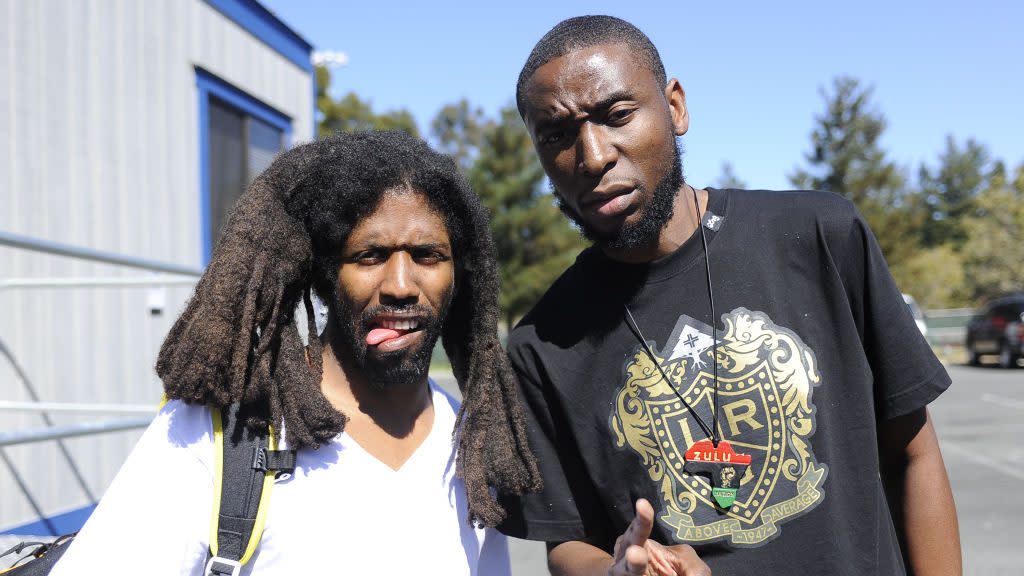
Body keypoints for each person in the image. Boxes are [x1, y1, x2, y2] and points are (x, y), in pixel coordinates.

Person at [497, 15, 961, 576]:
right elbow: (568, 544)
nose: (592, 155)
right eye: (556, 135)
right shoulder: (540, 345)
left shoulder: (819, 235)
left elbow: (913, 453)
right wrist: (619, 571)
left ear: (675, 108)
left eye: (617, 116)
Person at [52, 130, 541, 575]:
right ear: (327, 274)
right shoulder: (222, 431)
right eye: (369, 256)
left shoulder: (477, 445)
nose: (400, 285)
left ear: (458, 274)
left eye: (427, 255)